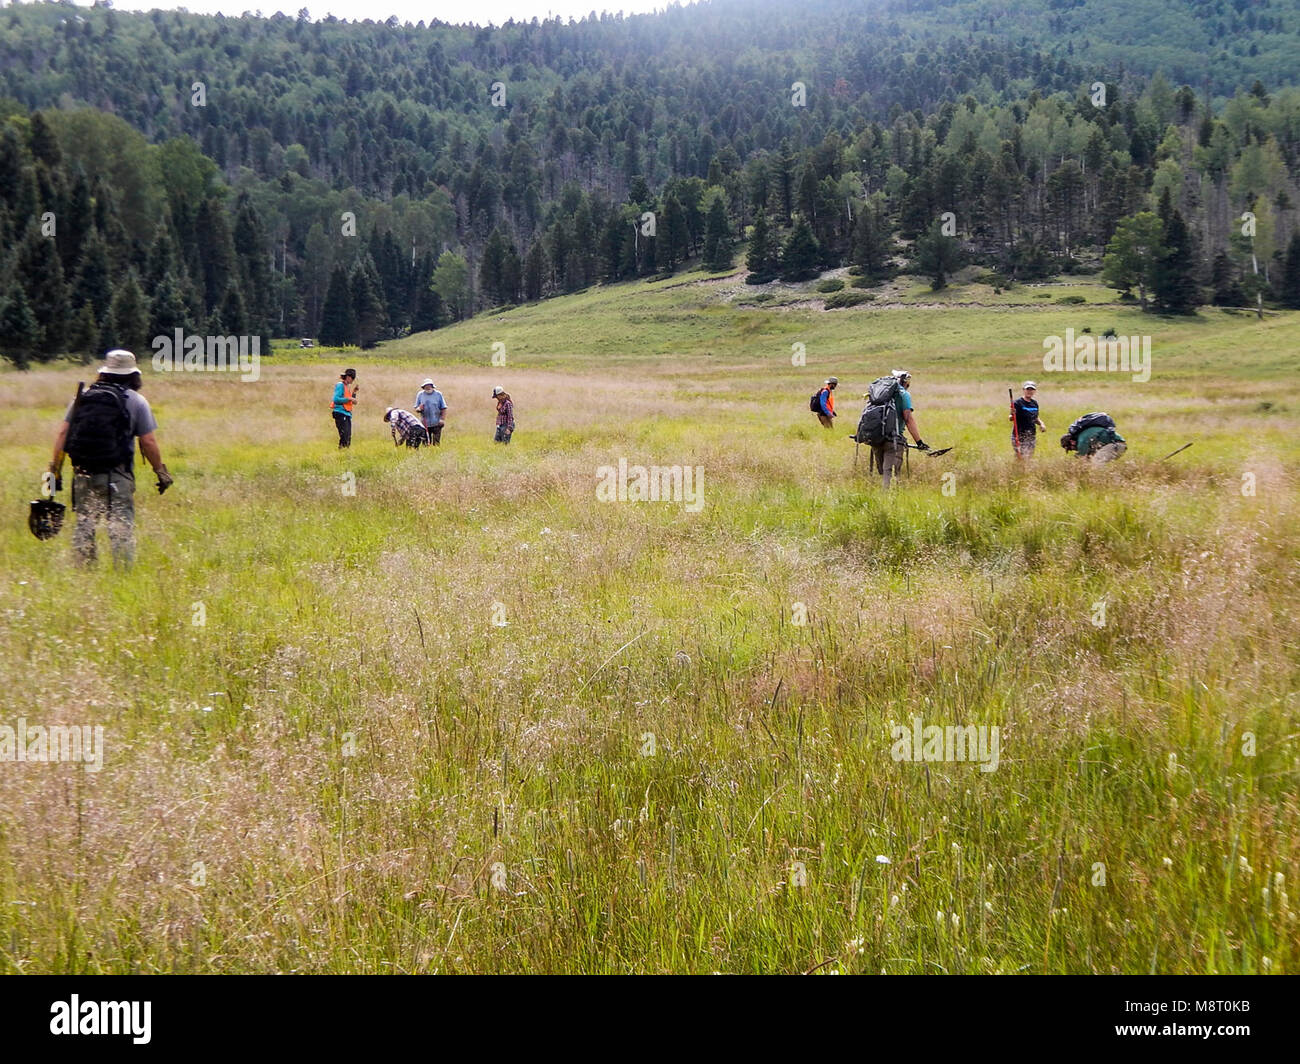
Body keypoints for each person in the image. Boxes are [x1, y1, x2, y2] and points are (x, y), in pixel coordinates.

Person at [47, 349, 172, 568]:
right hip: (117, 475)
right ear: (133, 375)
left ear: (104, 372)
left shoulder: (81, 397)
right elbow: (148, 442)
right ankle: (122, 575)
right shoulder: (136, 401)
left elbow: (62, 435)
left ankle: (84, 575)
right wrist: (160, 472)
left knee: (85, 525)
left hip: (83, 473)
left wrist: (54, 472)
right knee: (120, 526)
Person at [870, 369, 927, 487]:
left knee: (882, 471)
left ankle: (883, 493)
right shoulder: (904, 394)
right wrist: (919, 442)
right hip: (893, 440)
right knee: (889, 473)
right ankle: (886, 499)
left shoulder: (880, 392)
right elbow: (908, 419)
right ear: (905, 381)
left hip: (875, 437)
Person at [1061, 413, 1126, 463]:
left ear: (1072, 442)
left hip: (1116, 445)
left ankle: (1103, 480)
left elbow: (1082, 460)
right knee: (1094, 460)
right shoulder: (1084, 437)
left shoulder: (1082, 441)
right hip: (1118, 445)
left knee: (1096, 462)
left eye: (1070, 448)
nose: (1073, 450)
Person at [1010, 381, 1046, 458]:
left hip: (1031, 435)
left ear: (1034, 391)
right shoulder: (1017, 403)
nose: (1029, 391)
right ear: (1023, 390)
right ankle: (1018, 469)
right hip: (1019, 435)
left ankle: (1019, 468)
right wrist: (1012, 414)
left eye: (1032, 389)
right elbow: (1011, 418)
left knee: (1028, 456)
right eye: (1028, 389)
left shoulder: (1034, 403)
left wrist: (1041, 424)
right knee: (1022, 456)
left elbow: (1035, 417)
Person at [414, 378, 447, 445]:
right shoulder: (420, 395)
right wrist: (419, 409)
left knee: (436, 443)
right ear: (423, 387)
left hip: (437, 422)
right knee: (426, 443)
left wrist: (442, 419)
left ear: (432, 386)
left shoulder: (438, 394)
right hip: (425, 423)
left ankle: (435, 453)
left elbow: (443, 408)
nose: (428, 387)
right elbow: (416, 408)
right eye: (426, 386)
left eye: (429, 385)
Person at [331, 368, 358, 448]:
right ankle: (341, 454)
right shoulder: (340, 385)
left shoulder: (347, 387)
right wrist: (349, 399)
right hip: (340, 413)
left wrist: (354, 393)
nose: (352, 381)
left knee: (347, 437)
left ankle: (343, 455)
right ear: (349, 377)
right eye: (353, 379)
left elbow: (349, 401)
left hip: (346, 414)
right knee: (345, 437)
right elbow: (335, 399)